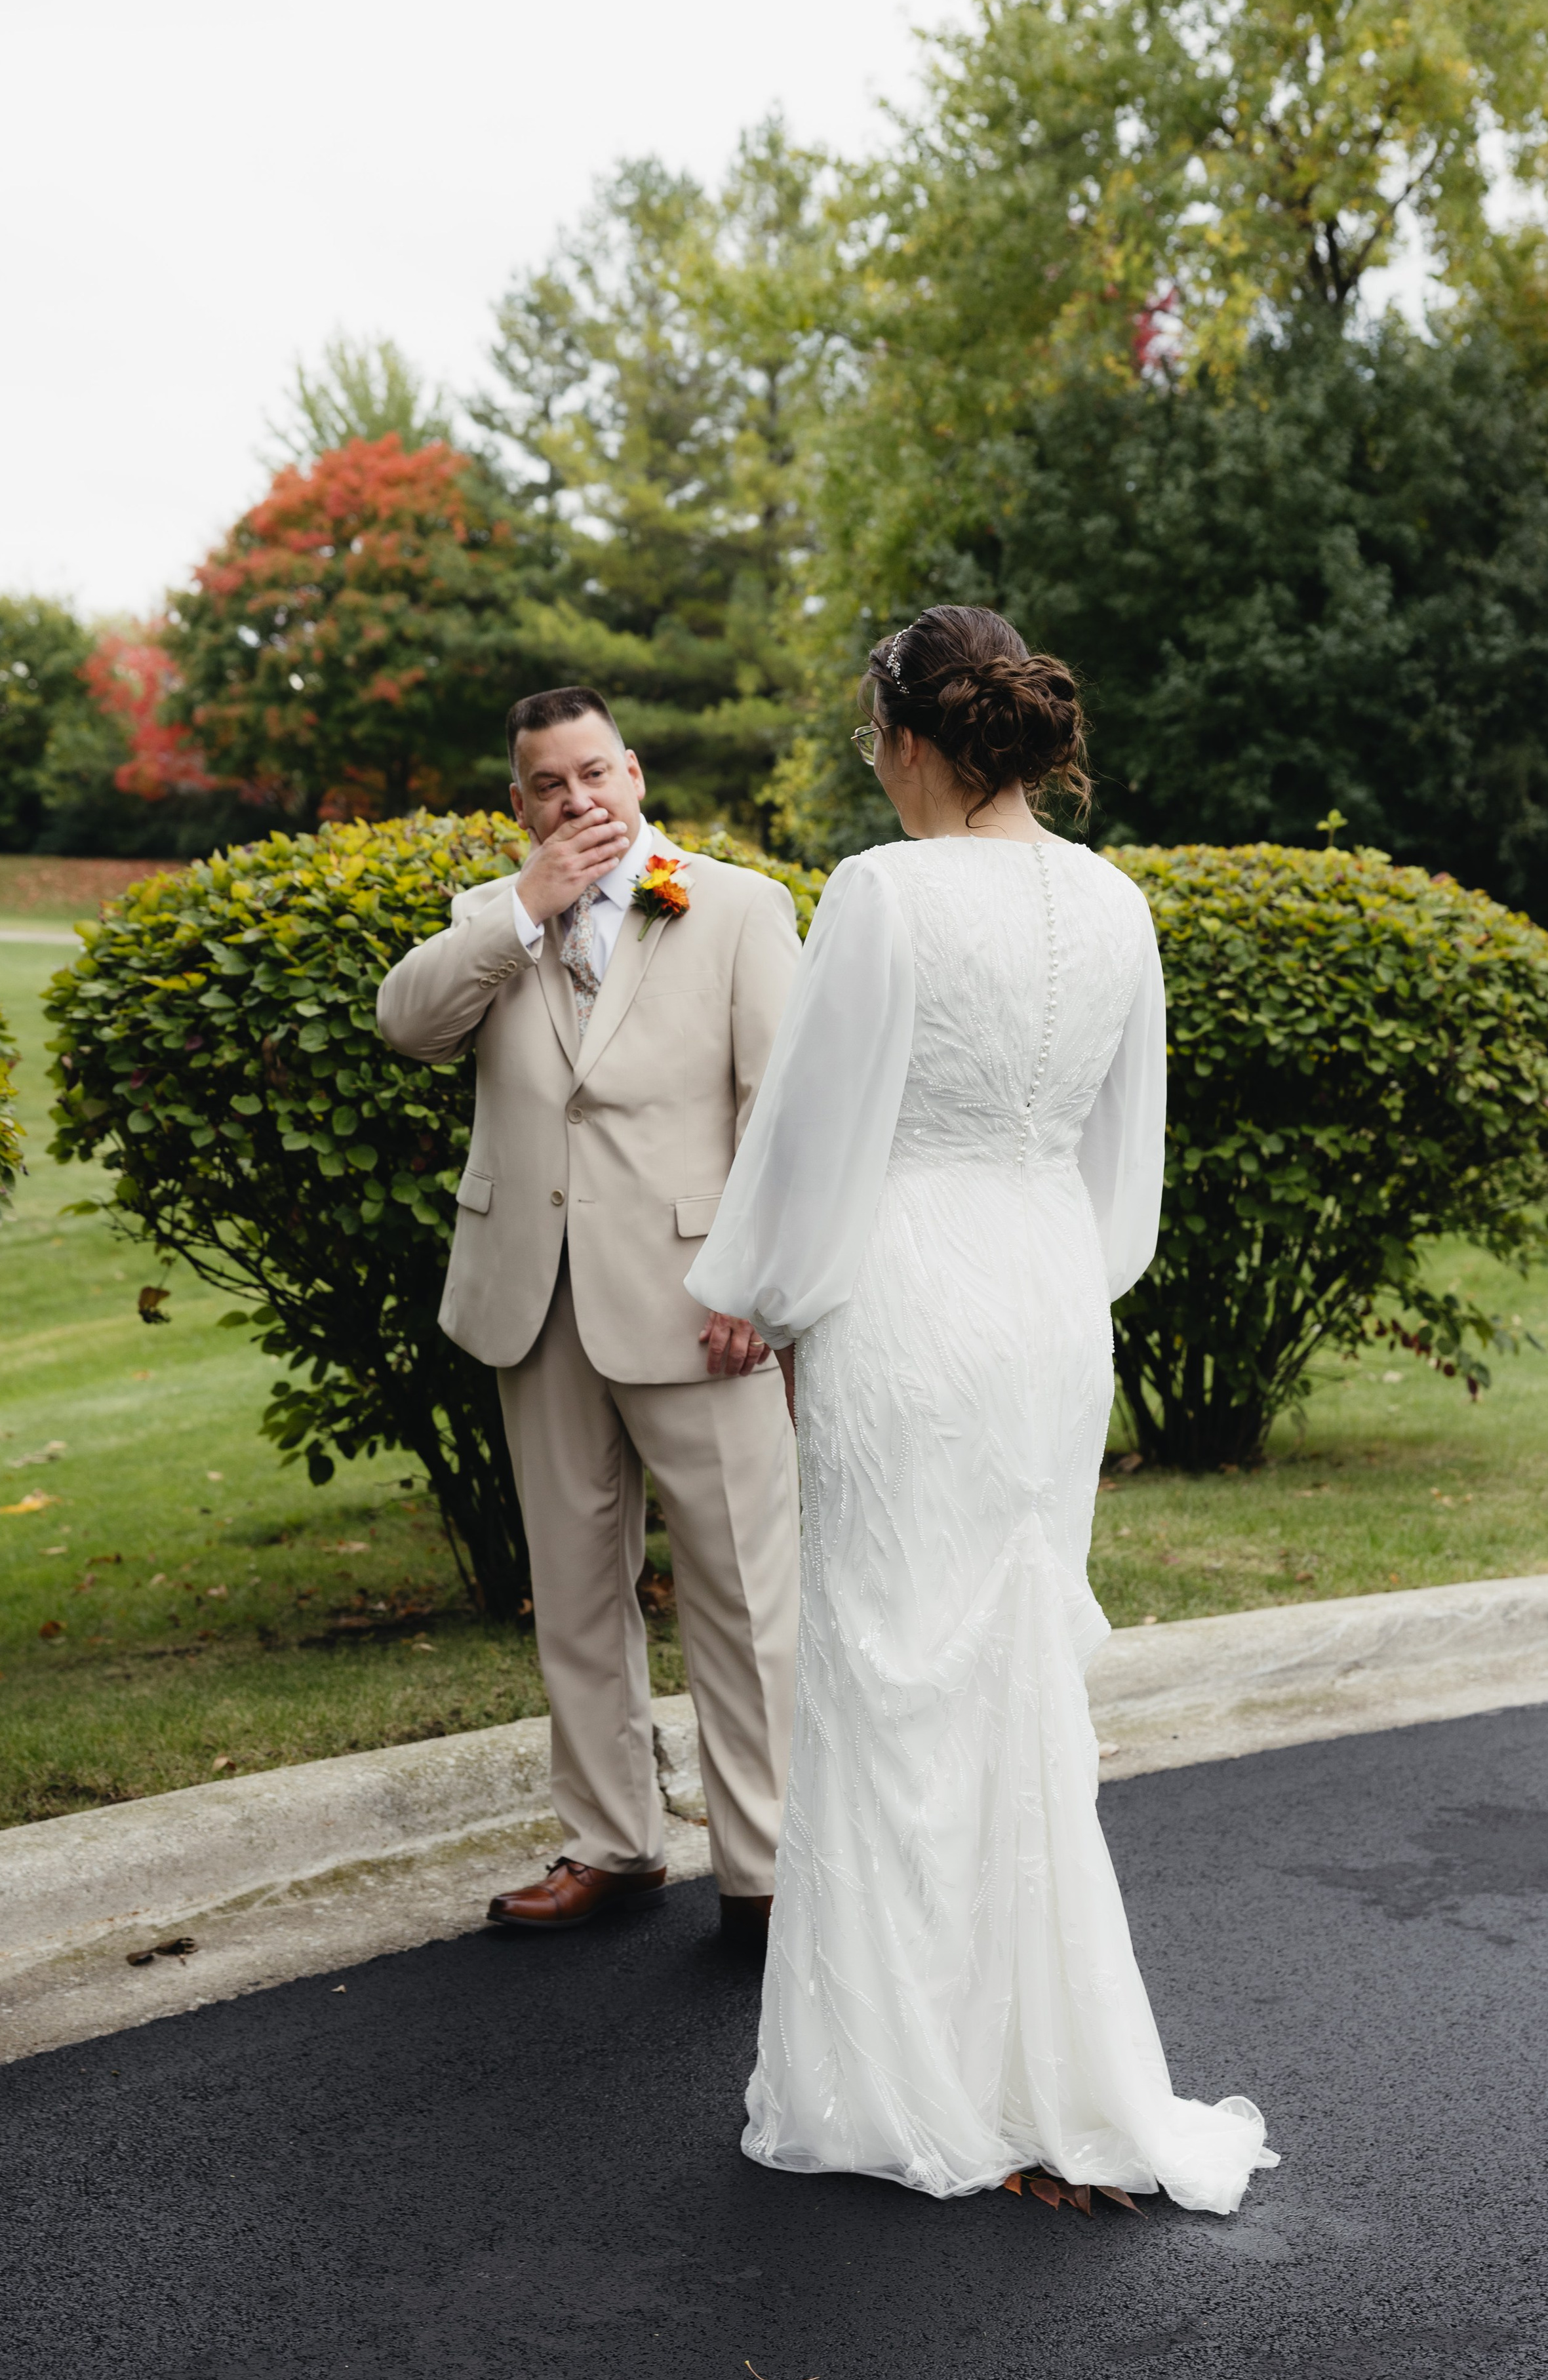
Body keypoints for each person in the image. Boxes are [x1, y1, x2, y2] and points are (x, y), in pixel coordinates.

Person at [686, 607, 1278, 2209]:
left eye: (869, 738)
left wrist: (761, 1294)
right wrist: (1060, 1272)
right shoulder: (1113, 901)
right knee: (1011, 1670)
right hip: (1045, 1301)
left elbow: (815, 1130)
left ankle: (914, 2080)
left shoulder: (881, 893)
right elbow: (1120, 1161)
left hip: (905, 1300)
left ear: (908, 740)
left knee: (889, 1677)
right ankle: (1039, 2065)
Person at [376, 686, 801, 1944]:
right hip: (535, 1298)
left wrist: (757, 1283)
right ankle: (613, 1844)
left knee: (743, 1592)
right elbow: (408, 1026)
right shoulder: (490, 918)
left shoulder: (736, 905)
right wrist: (527, 905)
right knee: (571, 1587)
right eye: (550, 785)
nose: (578, 801)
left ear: (636, 773)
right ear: (518, 803)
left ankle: (769, 1866)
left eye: (595, 773)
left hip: (698, 1305)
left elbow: (782, 1113)